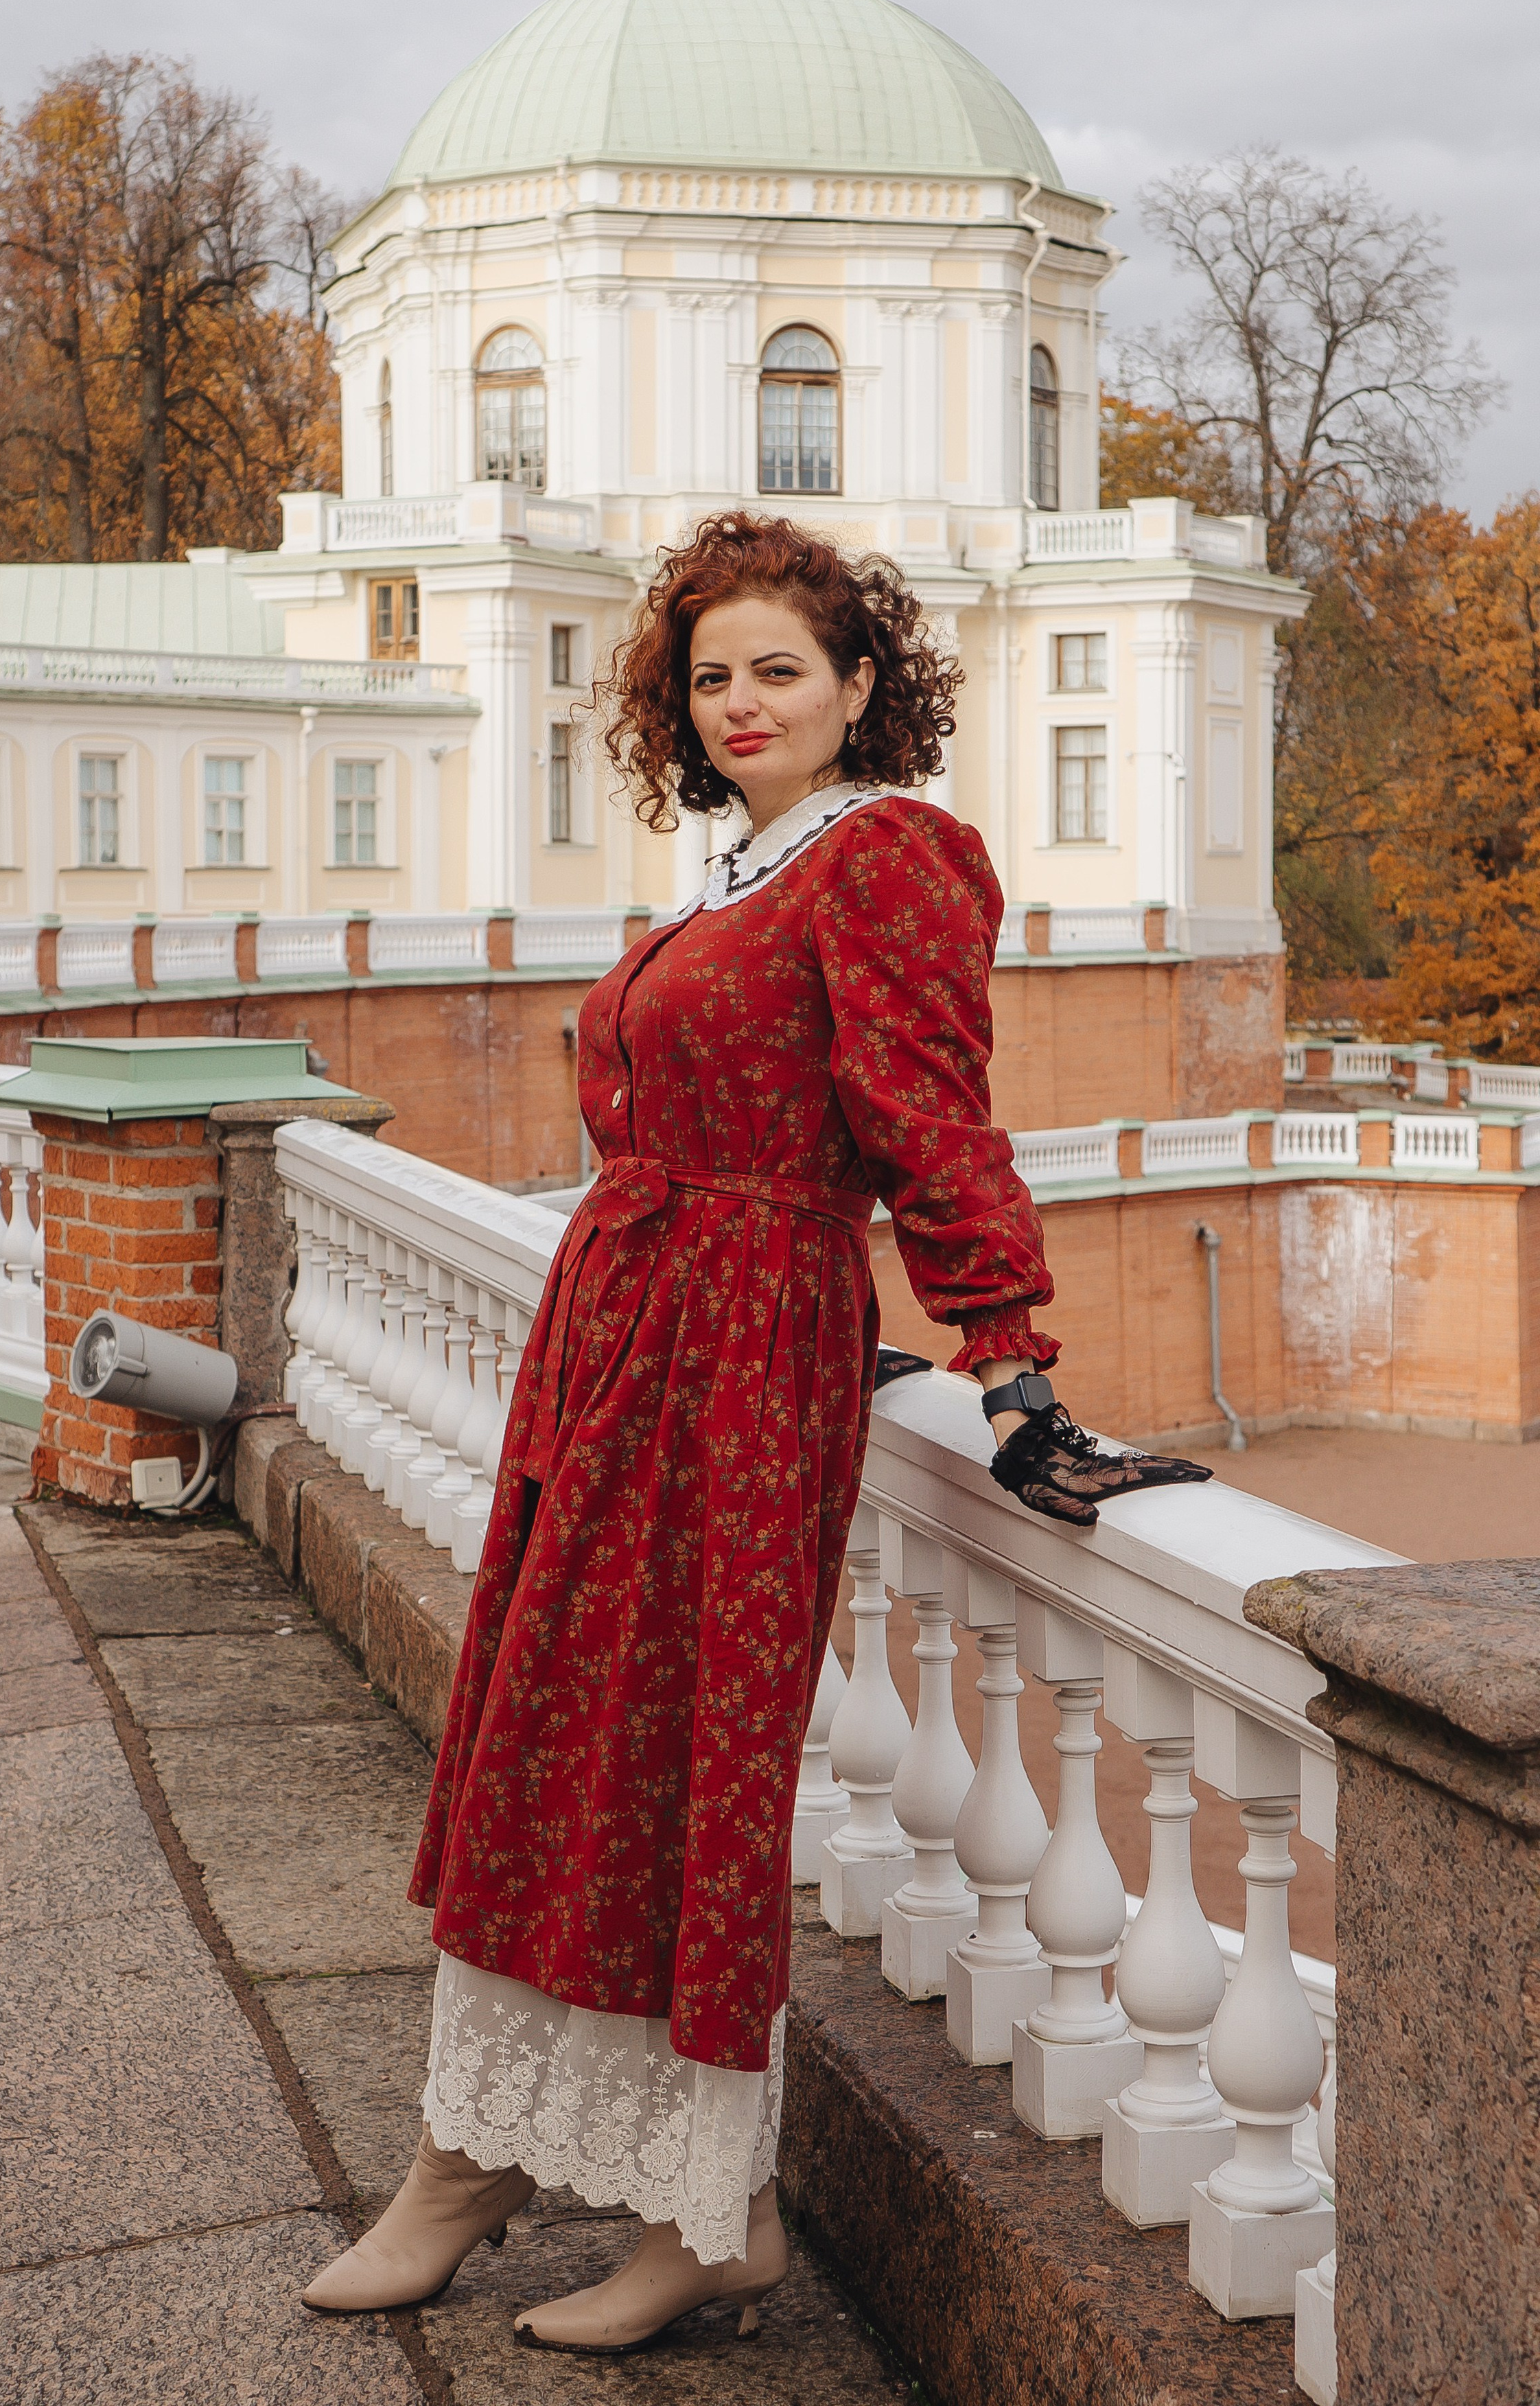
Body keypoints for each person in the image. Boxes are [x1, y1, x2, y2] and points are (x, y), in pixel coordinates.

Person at [301, 511, 1207, 2350]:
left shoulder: (886, 857)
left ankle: (705, 2210)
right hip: (632, 1340)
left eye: (779, 667)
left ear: (862, 684)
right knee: (546, 1750)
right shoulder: (735, 870)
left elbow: (927, 1115)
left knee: (668, 1767)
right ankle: (474, 2154)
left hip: (733, 1361)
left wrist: (1007, 1356)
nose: (739, 700)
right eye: (710, 673)